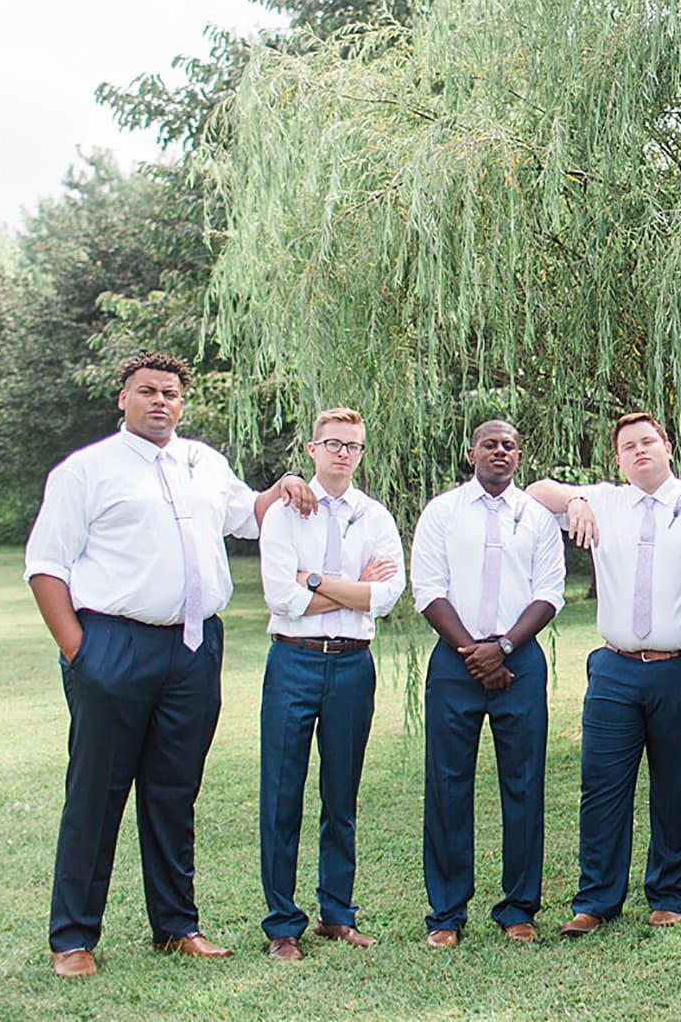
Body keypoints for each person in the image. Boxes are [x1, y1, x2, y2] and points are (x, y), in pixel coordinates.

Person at [24, 351, 316, 978]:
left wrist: (285, 487)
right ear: (123, 399)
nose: (161, 401)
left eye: (172, 393)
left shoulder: (203, 463)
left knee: (175, 791)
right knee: (96, 793)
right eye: (147, 391)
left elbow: (250, 515)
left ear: (183, 403)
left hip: (193, 649)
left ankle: (176, 926)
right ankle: (72, 938)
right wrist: (81, 653)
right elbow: (45, 566)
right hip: (113, 646)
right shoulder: (85, 471)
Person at [526, 412, 681, 935]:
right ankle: (596, 900)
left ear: (668, 447)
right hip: (615, 667)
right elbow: (535, 492)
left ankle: (669, 895)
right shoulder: (604, 500)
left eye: (648, 441)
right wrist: (576, 500)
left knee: (675, 785)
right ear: (617, 459)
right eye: (628, 446)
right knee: (602, 785)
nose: (639, 451)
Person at [255, 407, 407, 960]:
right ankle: (282, 926)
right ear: (313, 449)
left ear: (361, 453)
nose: (344, 453)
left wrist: (315, 580)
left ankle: (336, 915)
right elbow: (281, 598)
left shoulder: (375, 517)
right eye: (334, 444)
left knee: (341, 795)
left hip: (351, 666)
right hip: (292, 663)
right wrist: (351, 588)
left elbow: (385, 597)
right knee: (282, 795)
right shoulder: (284, 515)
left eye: (353, 446)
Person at [410, 419, 566, 946]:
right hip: (455, 661)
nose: (500, 451)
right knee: (447, 784)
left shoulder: (537, 516)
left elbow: (549, 593)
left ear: (519, 456)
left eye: (509, 446)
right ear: (472, 451)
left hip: (519, 662)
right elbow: (428, 589)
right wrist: (474, 655)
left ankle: (518, 907)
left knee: (523, 784)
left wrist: (502, 649)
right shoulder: (442, 511)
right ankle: (447, 913)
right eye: (490, 444)